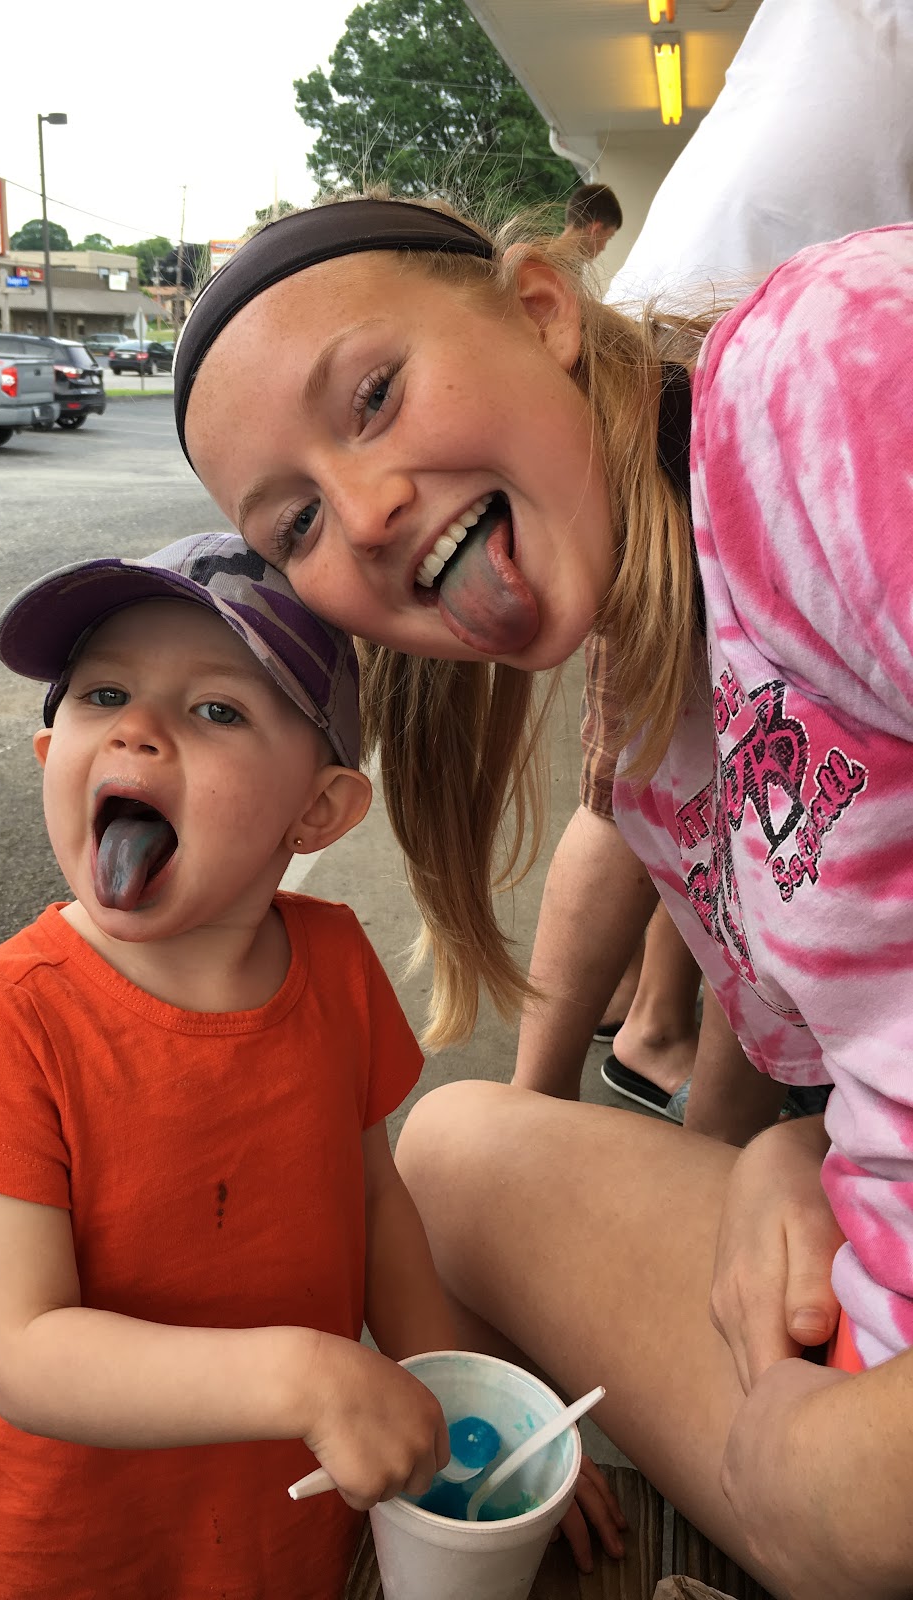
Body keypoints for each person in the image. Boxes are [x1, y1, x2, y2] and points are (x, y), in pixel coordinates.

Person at [171, 196, 913, 1596]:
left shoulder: (828, 372)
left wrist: (861, 1477)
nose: (368, 514)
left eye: (373, 396)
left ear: (541, 311)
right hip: (845, 1329)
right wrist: (799, 1151)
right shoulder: (654, 735)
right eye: (300, 520)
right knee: (452, 1145)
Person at [0, 533, 463, 1599]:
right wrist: (307, 1376)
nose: (137, 729)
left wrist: (458, 1422)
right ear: (49, 756)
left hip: (280, 1534)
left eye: (216, 709)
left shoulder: (334, 961)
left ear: (318, 810)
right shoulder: (8, 1017)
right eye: (103, 694)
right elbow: (27, 1351)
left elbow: (376, 1201)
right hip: (67, 1560)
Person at [522, 0, 913, 1135]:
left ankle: (638, 1068)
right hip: (713, 410)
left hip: (681, 389)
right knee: (683, 799)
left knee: (708, 806)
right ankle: (635, 1070)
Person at [559, 182, 621, 259]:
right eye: (607, 238)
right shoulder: (557, 265)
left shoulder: (545, 255)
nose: (603, 248)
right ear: (595, 230)